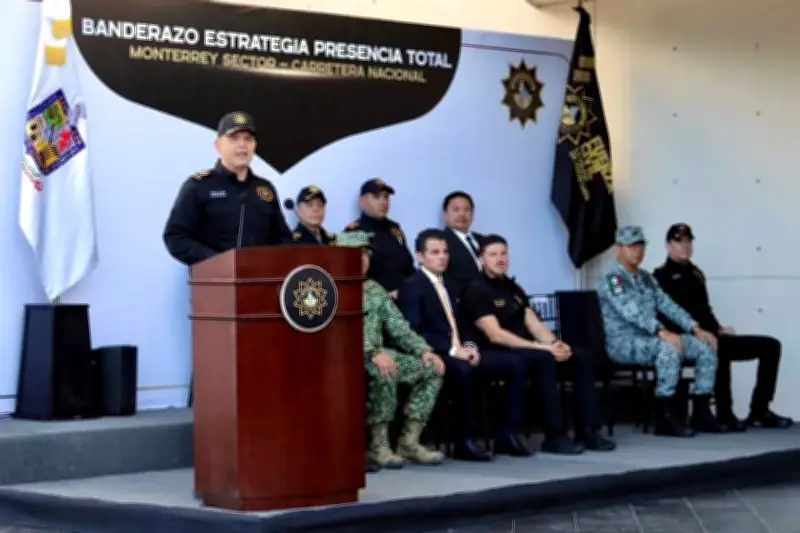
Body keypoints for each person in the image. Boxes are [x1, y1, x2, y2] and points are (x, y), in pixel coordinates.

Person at [460, 235, 616, 454]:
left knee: (579, 356)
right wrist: (543, 348)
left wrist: (557, 344)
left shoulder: (512, 288)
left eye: (504, 253)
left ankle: (588, 430)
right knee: (544, 359)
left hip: (526, 348)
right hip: (497, 350)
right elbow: (496, 335)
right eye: (493, 255)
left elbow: (533, 323)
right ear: (481, 259)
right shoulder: (475, 289)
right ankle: (554, 434)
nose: (500, 259)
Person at [399, 229, 529, 460]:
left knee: (515, 363)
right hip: (433, 352)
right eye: (435, 252)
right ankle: (464, 439)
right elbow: (415, 330)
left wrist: (470, 347)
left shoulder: (453, 284)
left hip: (460, 349)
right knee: (463, 371)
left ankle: (507, 434)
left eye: (445, 252)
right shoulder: (413, 285)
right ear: (420, 256)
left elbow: (463, 324)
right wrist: (452, 350)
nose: (442, 257)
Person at [653, 223, 792, 431]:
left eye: (688, 241)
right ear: (668, 245)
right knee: (717, 350)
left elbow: (704, 310)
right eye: (679, 241)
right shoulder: (660, 277)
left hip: (711, 335)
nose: (685, 246)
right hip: (689, 341)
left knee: (771, 346)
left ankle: (759, 410)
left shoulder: (696, 273)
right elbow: (666, 316)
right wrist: (700, 333)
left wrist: (718, 329)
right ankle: (724, 413)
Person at [597, 225, 725, 437]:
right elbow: (632, 311)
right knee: (668, 348)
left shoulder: (646, 277)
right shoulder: (613, 278)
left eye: (640, 245)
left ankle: (701, 411)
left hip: (650, 339)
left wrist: (695, 328)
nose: (637, 251)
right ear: (619, 249)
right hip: (623, 342)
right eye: (631, 246)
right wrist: (661, 332)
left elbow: (668, 305)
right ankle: (665, 416)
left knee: (706, 346)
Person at [336, 231, 446, 469]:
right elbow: (336, 333)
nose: (362, 259)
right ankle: (378, 446)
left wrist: (423, 350)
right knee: (385, 371)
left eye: (365, 254)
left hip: (379, 353)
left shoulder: (374, 289)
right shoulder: (331, 289)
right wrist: (372, 353)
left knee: (431, 368)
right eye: (354, 254)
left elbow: (398, 327)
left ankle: (409, 441)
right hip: (345, 358)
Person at [163, 111, 292, 265]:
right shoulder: (198, 186)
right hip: (214, 282)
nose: (242, 145)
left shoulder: (265, 189)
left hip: (259, 282)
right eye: (234, 138)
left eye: (248, 139)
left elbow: (282, 239)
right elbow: (176, 237)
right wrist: (217, 261)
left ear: (254, 145)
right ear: (218, 145)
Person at [344, 179, 414, 298]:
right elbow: (353, 279)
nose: (383, 202)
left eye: (386, 197)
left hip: (405, 298)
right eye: (376, 197)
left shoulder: (395, 229)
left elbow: (408, 265)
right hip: (377, 304)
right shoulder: (354, 232)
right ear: (362, 201)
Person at [441, 191, 485, 296]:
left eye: (466, 210)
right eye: (456, 210)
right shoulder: (440, 242)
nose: (461, 214)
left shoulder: (483, 240)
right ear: (445, 215)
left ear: (473, 214)